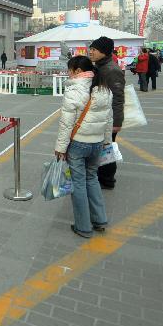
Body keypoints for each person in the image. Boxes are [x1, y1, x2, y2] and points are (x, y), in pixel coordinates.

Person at [54, 55, 112, 238]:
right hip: (97, 143)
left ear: (78, 71)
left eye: (69, 70)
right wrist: (107, 141)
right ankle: (100, 220)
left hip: (78, 144)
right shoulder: (104, 89)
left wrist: (60, 148)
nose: (68, 73)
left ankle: (83, 227)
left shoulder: (74, 90)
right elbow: (109, 119)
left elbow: (66, 123)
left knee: (78, 184)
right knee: (92, 179)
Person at [88, 36, 125, 190]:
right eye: (91, 49)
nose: (91, 52)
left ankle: (107, 179)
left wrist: (117, 122)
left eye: (94, 50)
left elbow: (118, 97)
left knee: (107, 148)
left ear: (103, 51)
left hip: (109, 118)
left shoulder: (111, 70)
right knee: (102, 147)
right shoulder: (100, 66)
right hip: (101, 116)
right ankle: (102, 176)